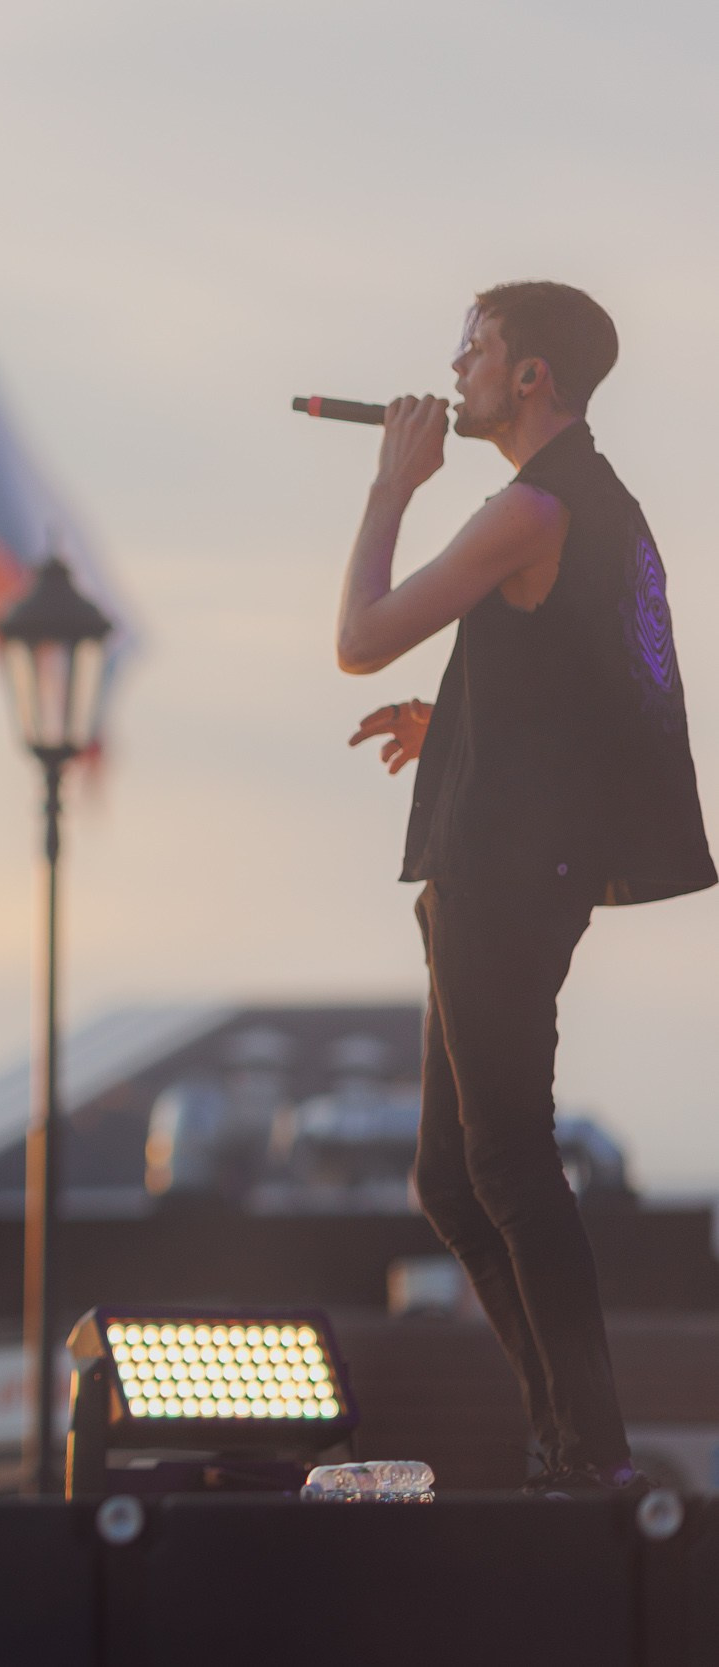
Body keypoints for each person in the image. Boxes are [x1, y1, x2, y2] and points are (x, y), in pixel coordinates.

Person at [341, 283, 712, 1493]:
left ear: (531, 375)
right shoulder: (592, 503)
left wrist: (393, 485)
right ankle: (568, 1435)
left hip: (501, 874)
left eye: (476, 349)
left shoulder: (534, 505)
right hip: (509, 863)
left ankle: (590, 1451)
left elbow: (359, 634)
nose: (456, 369)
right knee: (454, 1179)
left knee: (502, 1160)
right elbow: (577, 684)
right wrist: (449, 722)